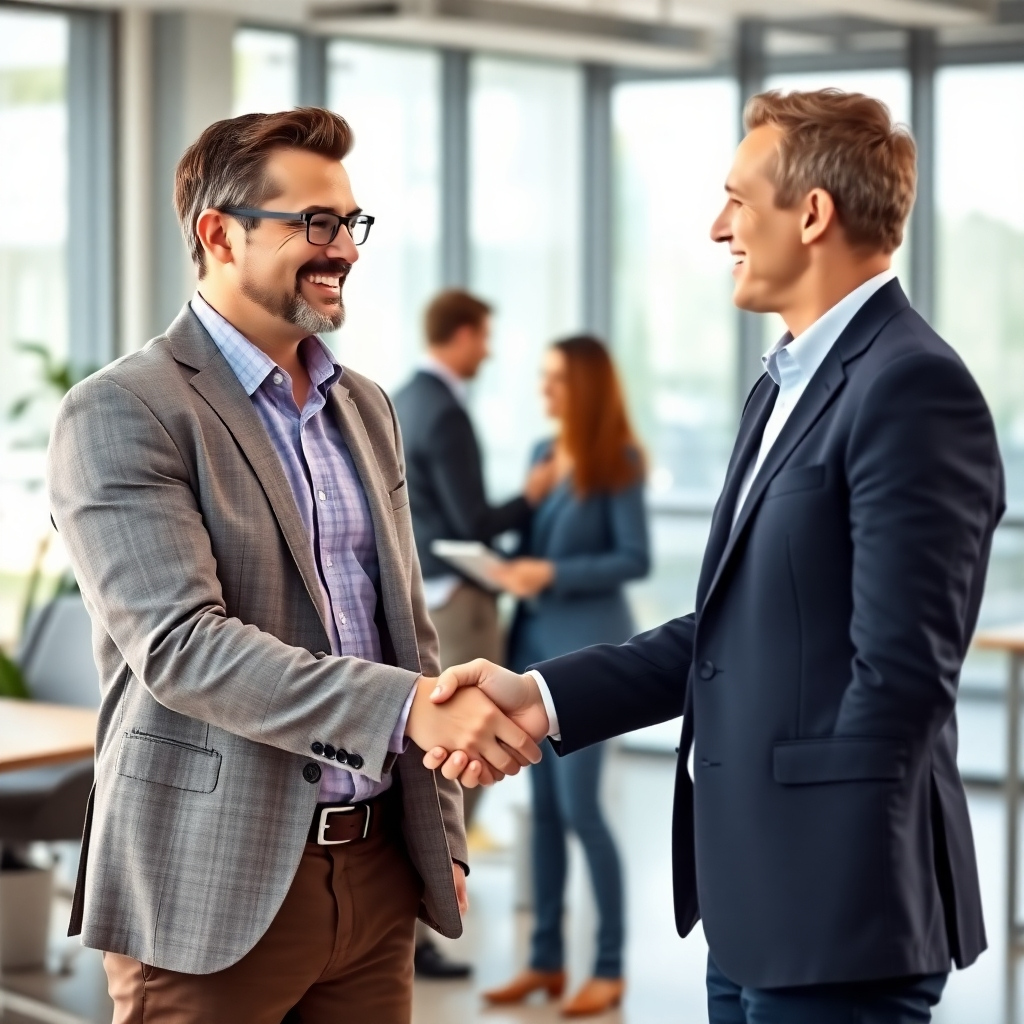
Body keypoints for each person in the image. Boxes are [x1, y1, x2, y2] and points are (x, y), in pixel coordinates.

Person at [424, 89, 1005, 1024]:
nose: (716, 226)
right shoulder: (783, 384)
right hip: (751, 909)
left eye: (737, 199)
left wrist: (804, 895)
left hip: (830, 917)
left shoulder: (911, 388)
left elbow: (901, 682)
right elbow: (727, 631)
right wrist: (540, 695)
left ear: (811, 214)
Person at [46, 107, 539, 1024]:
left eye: (349, 223)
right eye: (314, 223)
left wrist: (441, 845)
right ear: (219, 234)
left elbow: (409, 636)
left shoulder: (366, 406)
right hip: (210, 886)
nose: (343, 248)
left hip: (378, 875)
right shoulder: (124, 409)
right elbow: (185, 647)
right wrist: (407, 708)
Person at [482, 336, 649, 1017]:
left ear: (584, 386)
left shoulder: (620, 461)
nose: (544, 389)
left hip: (586, 654)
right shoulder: (543, 458)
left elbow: (632, 558)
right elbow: (527, 547)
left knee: (582, 809)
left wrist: (549, 573)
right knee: (544, 813)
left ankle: (609, 967)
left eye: (555, 379)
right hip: (532, 648)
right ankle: (545, 962)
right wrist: (503, 557)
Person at [392, 289, 554, 978]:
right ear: (459, 335)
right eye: (483, 336)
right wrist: (535, 494)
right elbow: (473, 520)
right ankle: (424, 919)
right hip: (458, 601)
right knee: (464, 759)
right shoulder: (446, 411)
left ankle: (417, 915)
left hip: (422, 589)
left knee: (437, 759)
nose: (488, 350)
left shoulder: (397, 397)